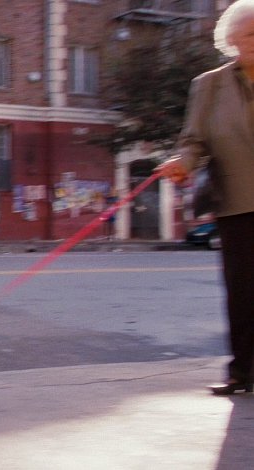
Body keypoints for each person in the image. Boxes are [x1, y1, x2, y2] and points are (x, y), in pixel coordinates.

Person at [156, 0, 254, 395]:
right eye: (249, 33)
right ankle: (242, 372)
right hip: (238, 201)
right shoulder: (209, 85)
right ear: (232, 40)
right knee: (242, 292)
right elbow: (194, 141)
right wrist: (182, 163)